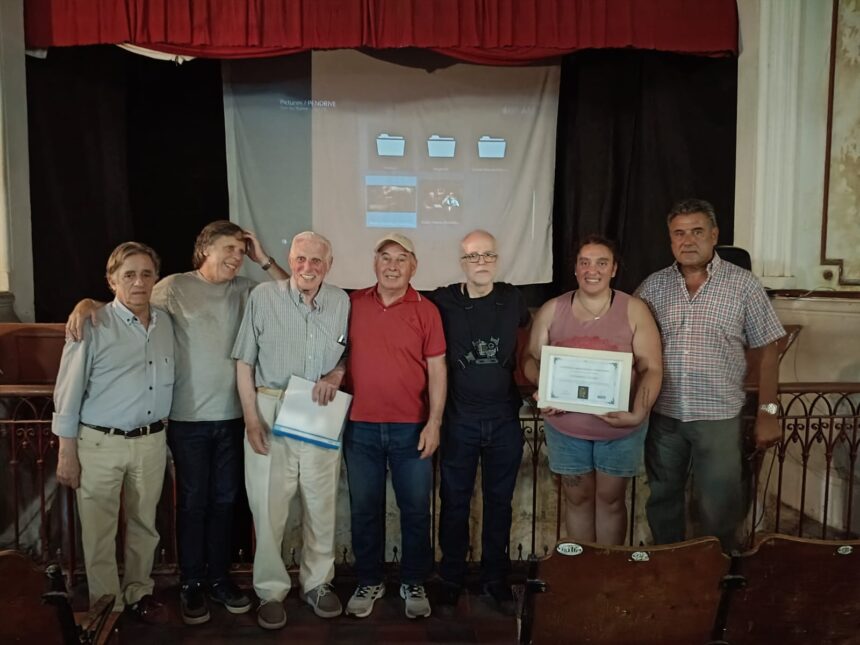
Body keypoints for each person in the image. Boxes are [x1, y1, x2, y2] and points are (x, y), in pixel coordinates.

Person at [66, 220, 288, 625]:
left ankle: (218, 579)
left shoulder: (246, 290)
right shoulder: (171, 286)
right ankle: (191, 583)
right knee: (192, 503)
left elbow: (291, 295)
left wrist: (265, 259)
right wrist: (88, 304)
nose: (236, 257)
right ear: (205, 248)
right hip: (186, 420)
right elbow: (128, 305)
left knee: (224, 502)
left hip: (234, 417)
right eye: (229, 249)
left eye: (241, 251)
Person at [636, 198, 785, 550]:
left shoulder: (744, 285)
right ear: (670, 240)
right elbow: (627, 343)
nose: (688, 241)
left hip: (719, 418)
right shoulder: (653, 287)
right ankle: (670, 571)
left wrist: (768, 413)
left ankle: (722, 579)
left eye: (697, 231)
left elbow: (768, 352)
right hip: (664, 417)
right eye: (679, 233)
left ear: (714, 235)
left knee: (720, 506)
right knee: (663, 500)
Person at [232, 231, 349, 630]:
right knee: (269, 507)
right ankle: (269, 589)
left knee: (321, 502)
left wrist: (336, 372)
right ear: (290, 259)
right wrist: (251, 419)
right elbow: (244, 362)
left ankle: (317, 583)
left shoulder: (341, 301)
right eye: (300, 259)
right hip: (270, 404)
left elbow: (346, 352)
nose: (307, 267)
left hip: (318, 406)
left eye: (317, 261)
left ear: (329, 265)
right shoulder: (263, 298)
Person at [53, 242, 174, 624]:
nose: (139, 282)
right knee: (99, 533)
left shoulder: (165, 322)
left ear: (156, 279)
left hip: (151, 442)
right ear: (112, 281)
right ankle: (108, 607)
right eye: (129, 275)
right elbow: (67, 392)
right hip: (100, 444)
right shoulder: (90, 323)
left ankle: (139, 592)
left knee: (144, 526)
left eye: (146, 274)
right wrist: (66, 452)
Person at [523, 235, 663, 545]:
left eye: (601, 263)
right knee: (577, 500)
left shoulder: (634, 310)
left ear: (614, 269)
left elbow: (652, 367)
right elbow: (531, 359)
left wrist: (637, 414)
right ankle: (583, 573)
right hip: (566, 427)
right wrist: (543, 388)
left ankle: (607, 577)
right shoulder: (552, 309)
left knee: (611, 501)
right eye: (584, 262)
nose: (592, 270)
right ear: (575, 269)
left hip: (620, 428)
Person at [343, 233, 446, 620]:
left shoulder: (427, 310)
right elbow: (341, 353)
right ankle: (369, 579)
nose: (391, 265)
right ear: (374, 263)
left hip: (411, 429)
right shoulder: (352, 304)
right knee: (365, 509)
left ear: (413, 266)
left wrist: (434, 423)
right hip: (361, 428)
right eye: (384, 257)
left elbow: (438, 370)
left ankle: (413, 580)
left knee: (416, 510)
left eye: (400, 258)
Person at [428, 230, 530, 611]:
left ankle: (495, 578)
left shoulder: (513, 298)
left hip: (504, 421)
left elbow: (535, 333)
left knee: (499, 504)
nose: (481, 262)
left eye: (488, 255)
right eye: (473, 256)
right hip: (459, 423)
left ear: (497, 259)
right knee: (453, 503)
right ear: (462, 263)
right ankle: (451, 577)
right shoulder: (444, 299)